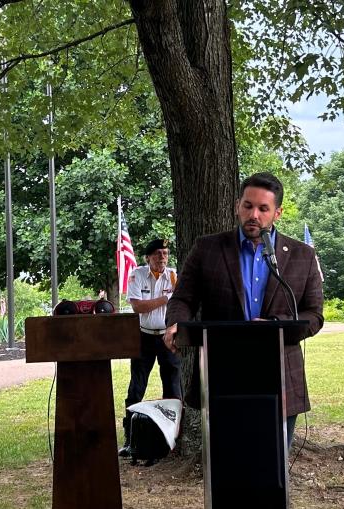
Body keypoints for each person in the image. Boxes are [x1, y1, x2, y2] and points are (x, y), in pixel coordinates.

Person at [163, 172, 324, 448]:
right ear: (238, 205)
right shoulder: (208, 249)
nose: (254, 215)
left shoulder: (302, 256)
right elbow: (183, 299)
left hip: (280, 375)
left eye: (263, 209)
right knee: (226, 464)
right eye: (248, 206)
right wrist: (176, 323)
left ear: (278, 213)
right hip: (222, 373)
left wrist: (275, 324)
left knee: (272, 471)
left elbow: (314, 315)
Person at [118, 238, 181, 458]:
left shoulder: (173, 275)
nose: (162, 257)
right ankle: (130, 439)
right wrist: (166, 298)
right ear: (148, 258)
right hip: (143, 337)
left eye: (165, 253)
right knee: (136, 387)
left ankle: (172, 438)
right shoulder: (136, 275)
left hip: (167, 337)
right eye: (157, 254)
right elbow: (137, 306)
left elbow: (180, 306)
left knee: (173, 387)